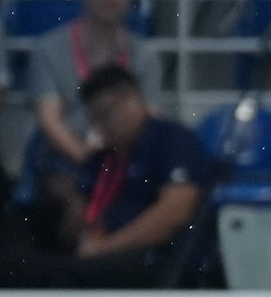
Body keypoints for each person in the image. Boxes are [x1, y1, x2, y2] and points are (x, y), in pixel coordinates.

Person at [0, 65, 206, 289]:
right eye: (94, 120)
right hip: (96, 246)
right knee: (16, 221)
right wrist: (71, 202)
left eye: (106, 114)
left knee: (46, 274)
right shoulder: (105, 155)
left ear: (134, 99)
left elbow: (176, 209)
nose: (101, 126)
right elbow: (78, 200)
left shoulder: (170, 139)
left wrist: (105, 247)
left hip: (144, 258)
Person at [23, 0, 164, 174]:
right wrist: (83, 157)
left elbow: (150, 118)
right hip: (65, 158)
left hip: (124, 159)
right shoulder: (49, 48)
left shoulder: (145, 55)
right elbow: (49, 118)